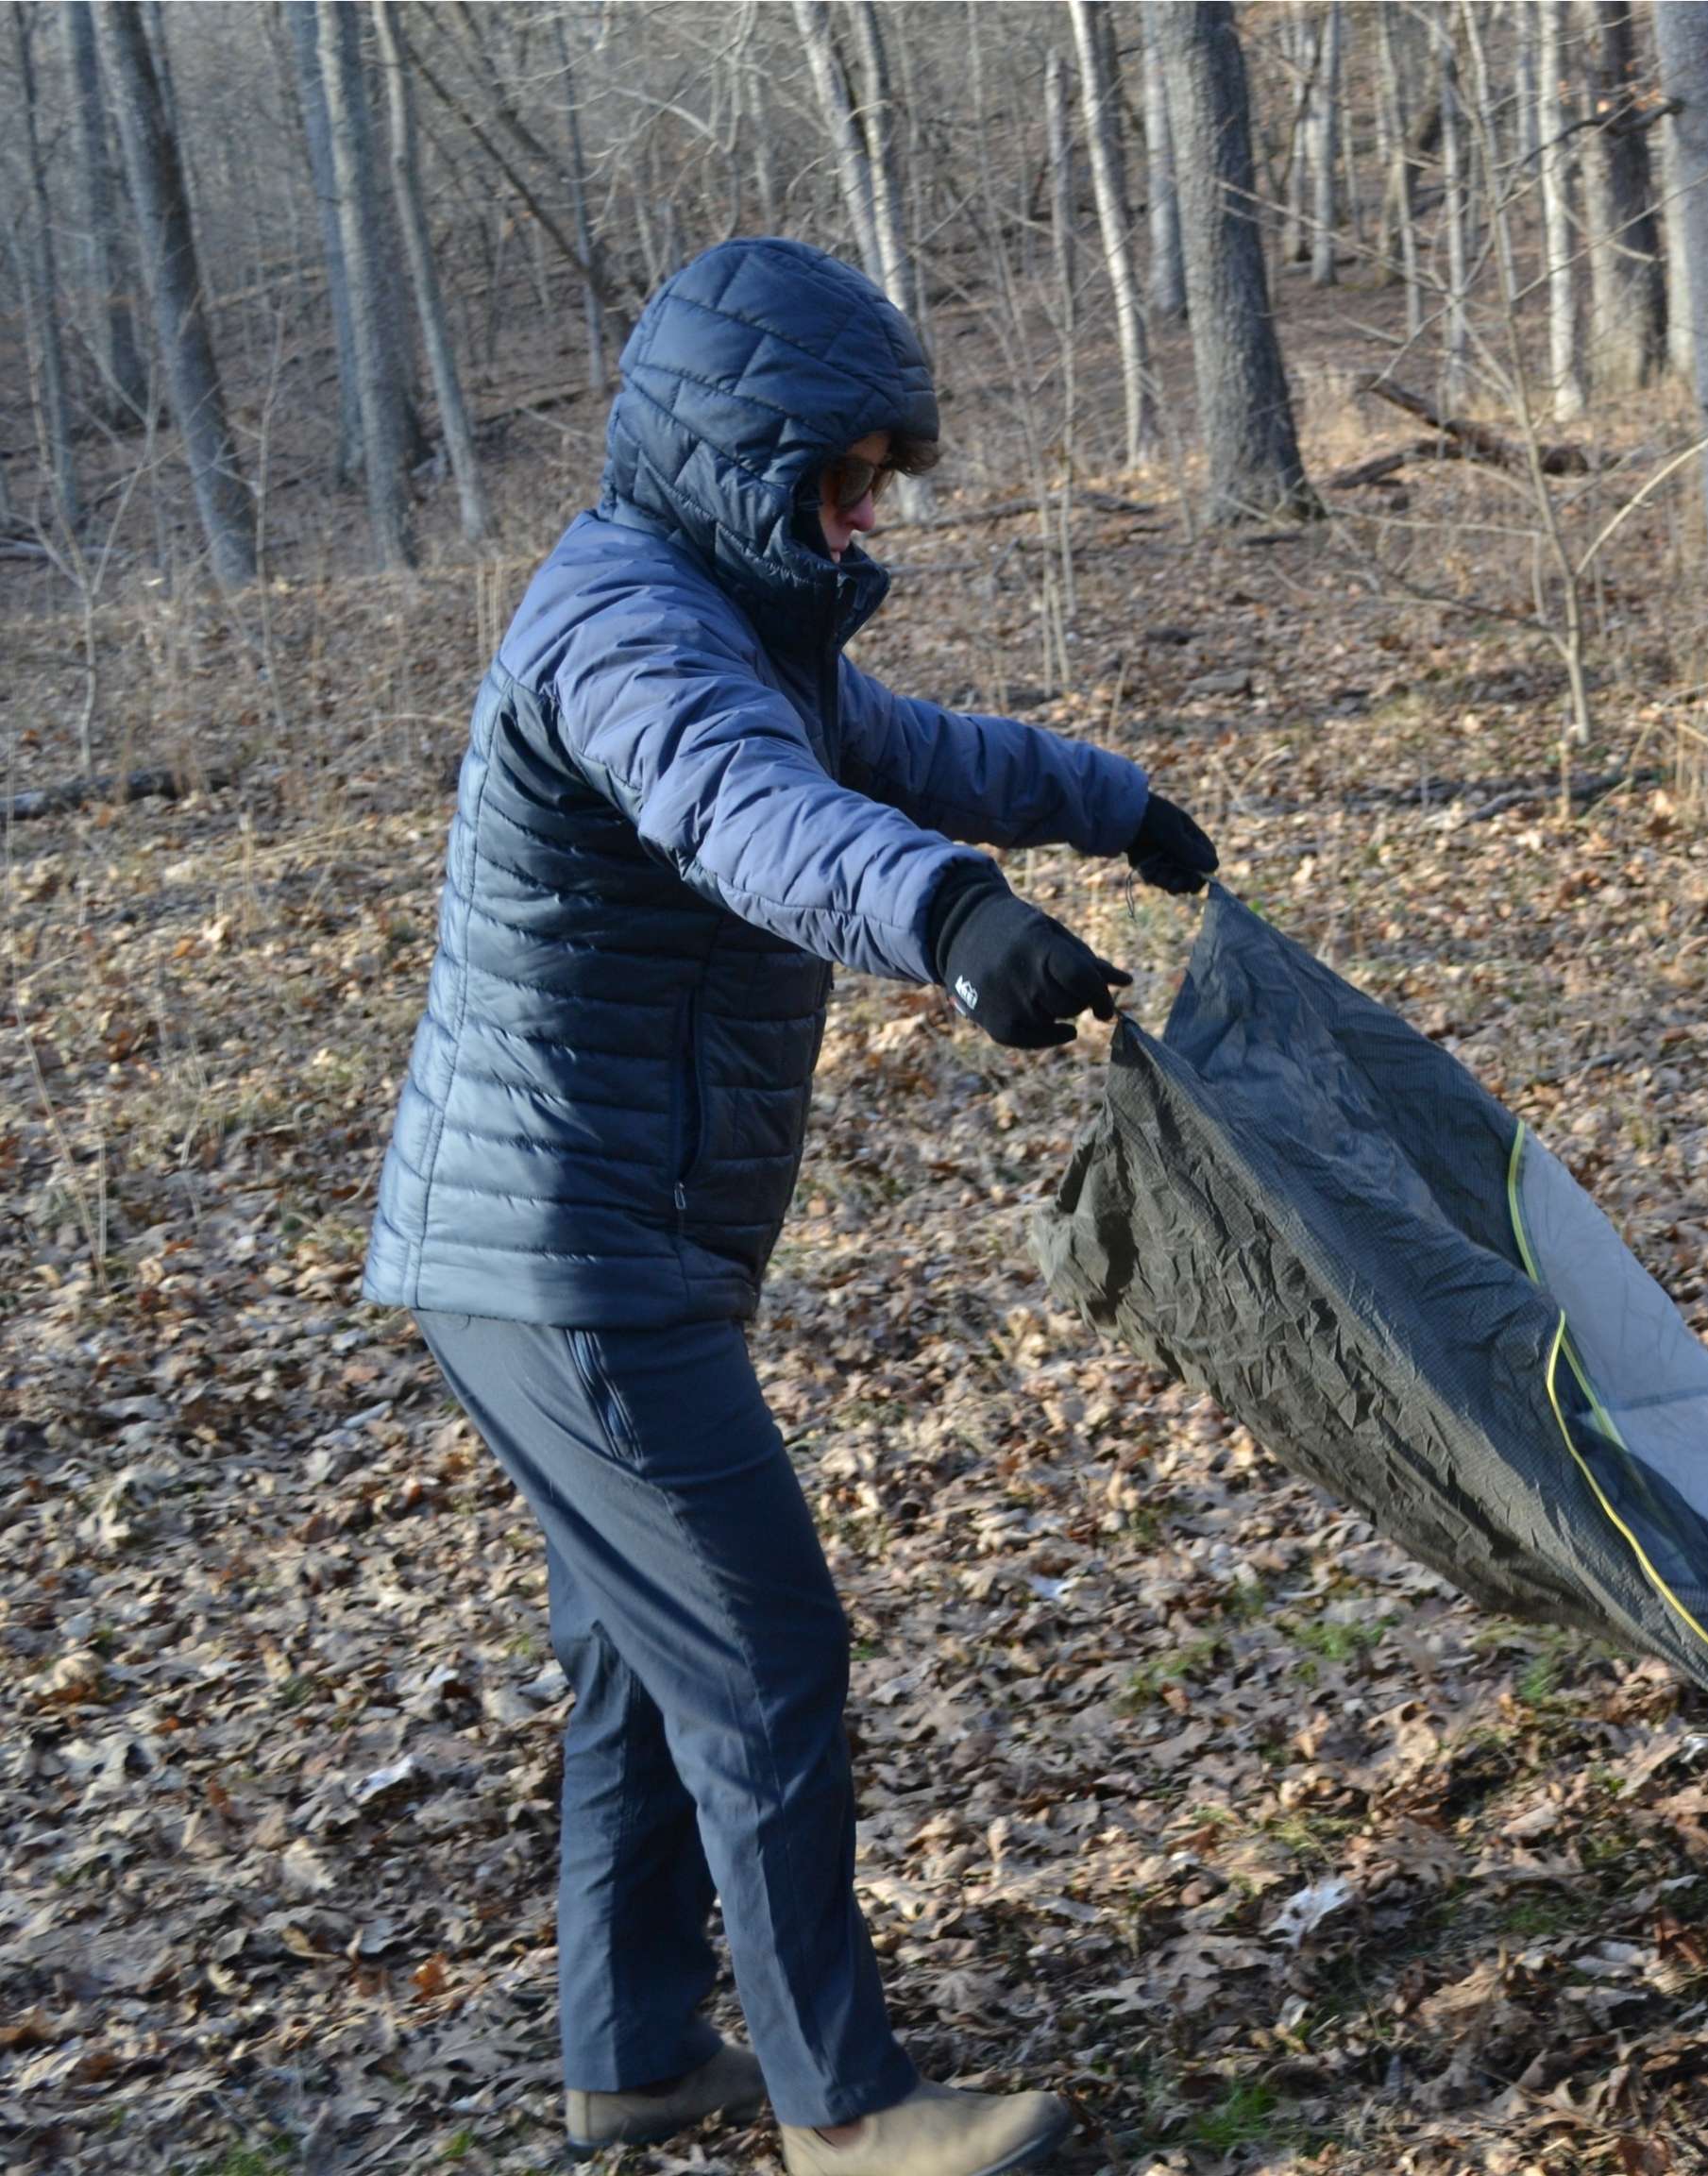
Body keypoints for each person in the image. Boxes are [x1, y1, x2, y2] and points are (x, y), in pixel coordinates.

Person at [361, 238, 1210, 2175]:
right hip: (566, 1254)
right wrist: (949, 916)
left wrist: (1110, 805)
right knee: (760, 1655)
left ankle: (631, 2058)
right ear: (737, 455)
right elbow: (756, 813)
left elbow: (911, 754)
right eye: (839, 479)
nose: (864, 518)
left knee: (642, 1666)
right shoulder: (629, 636)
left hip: (582, 1246)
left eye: (878, 487)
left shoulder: (745, 621)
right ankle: (850, 2114)